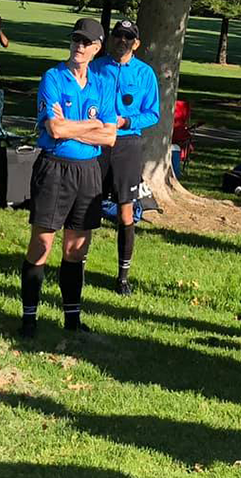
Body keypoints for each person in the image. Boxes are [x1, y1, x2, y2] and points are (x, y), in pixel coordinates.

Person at [17, 18, 118, 338]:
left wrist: (76, 129)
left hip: (88, 172)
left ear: (97, 48)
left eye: (86, 42)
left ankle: (72, 319)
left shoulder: (102, 84)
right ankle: (29, 318)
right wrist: (91, 127)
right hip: (54, 167)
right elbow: (55, 130)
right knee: (42, 243)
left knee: (77, 248)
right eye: (76, 39)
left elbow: (111, 136)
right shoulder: (53, 77)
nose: (79, 46)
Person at [89, 19, 159, 296]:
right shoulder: (95, 68)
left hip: (127, 142)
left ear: (136, 44)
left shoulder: (145, 73)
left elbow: (153, 113)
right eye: (118, 35)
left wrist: (126, 121)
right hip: (96, 140)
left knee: (125, 209)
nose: (122, 41)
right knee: (88, 204)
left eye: (128, 38)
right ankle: (77, 266)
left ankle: (123, 276)